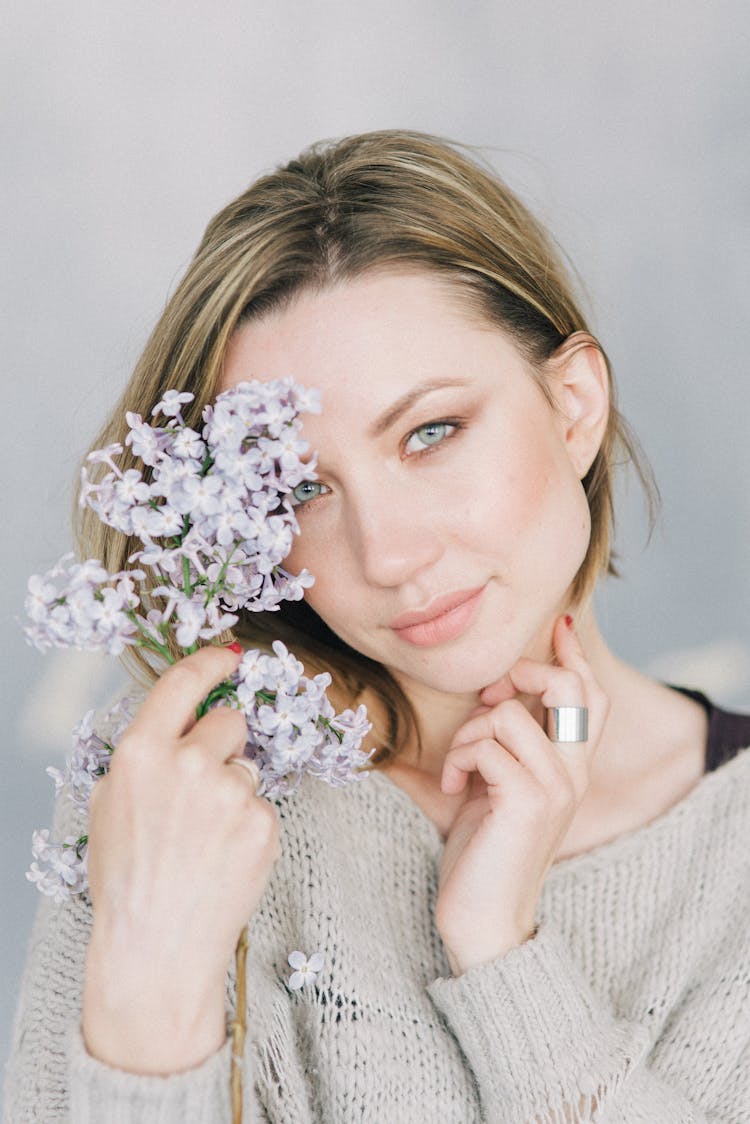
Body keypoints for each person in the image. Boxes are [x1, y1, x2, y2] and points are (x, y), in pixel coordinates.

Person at [5, 130, 750, 1124]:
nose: (388, 553)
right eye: (302, 486)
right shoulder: (176, 786)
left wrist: (501, 946)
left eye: (431, 432)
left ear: (574, 403)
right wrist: (150, 976)